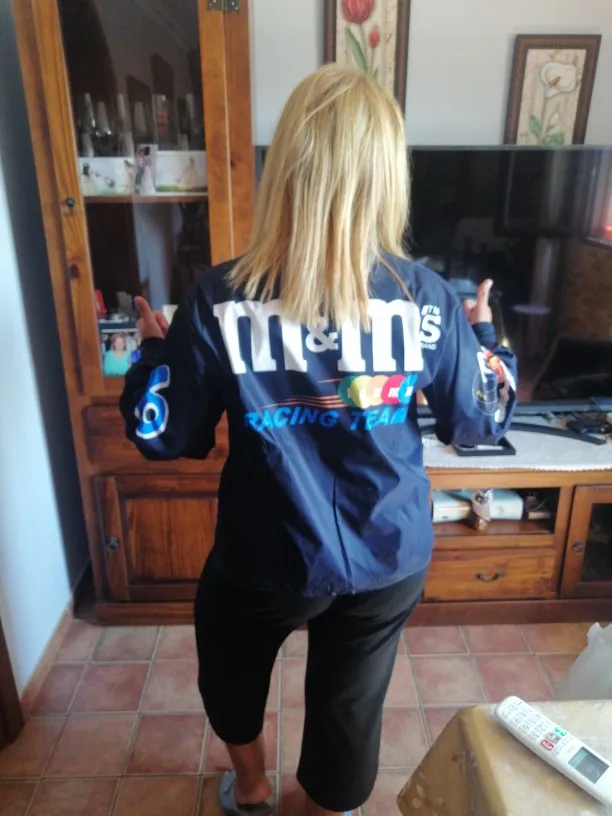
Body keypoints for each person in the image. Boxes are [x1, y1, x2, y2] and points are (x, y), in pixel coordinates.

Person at [120, 65, 517, 816]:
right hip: (385, 549)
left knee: (228, 669)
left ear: (287, 171)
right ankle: (322, 807)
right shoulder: (428, 300)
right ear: (385, 178)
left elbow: (163, 434)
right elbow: (478, 421)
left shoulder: (217, 298)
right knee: (349, 708)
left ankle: (252, 788)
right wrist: (487, 337)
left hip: (267, 551)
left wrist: (151, 353)